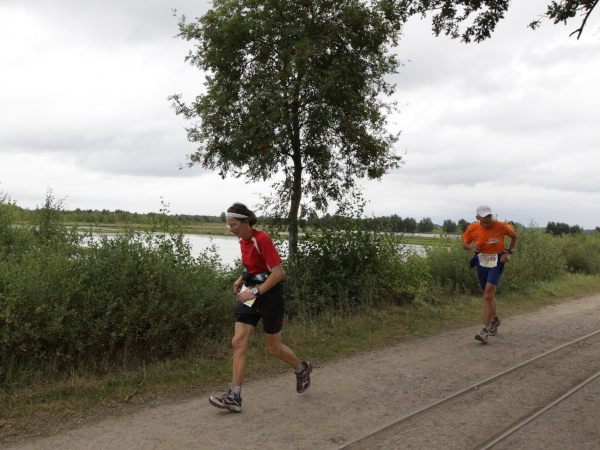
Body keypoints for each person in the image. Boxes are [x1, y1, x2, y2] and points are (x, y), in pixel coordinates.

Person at [209, 202, 312, 412]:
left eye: (233, 224)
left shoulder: (262, 238)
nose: (231, 230)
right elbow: (253, 265)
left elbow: (278, 273)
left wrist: (255, 292)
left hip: (270, 295)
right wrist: (242, 277)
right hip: (251, 293)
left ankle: (302, 368)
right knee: (238, 342)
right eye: (229, 225)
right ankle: (234, 396)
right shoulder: (243, 240)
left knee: (272, 349)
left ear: (246, 222)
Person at [462, 205, 519, 344]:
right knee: (488, 295)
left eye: (489, 216)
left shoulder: (501, 226)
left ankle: (485, 330)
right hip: (481, 261)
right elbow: (464, 244)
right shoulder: (472, 228)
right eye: (484, 217)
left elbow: (515, 236)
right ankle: (494, 320)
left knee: (488, 294)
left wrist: (509, 252)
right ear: (477, 218)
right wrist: (470, 246)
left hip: (497, 261)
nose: (487, 219)